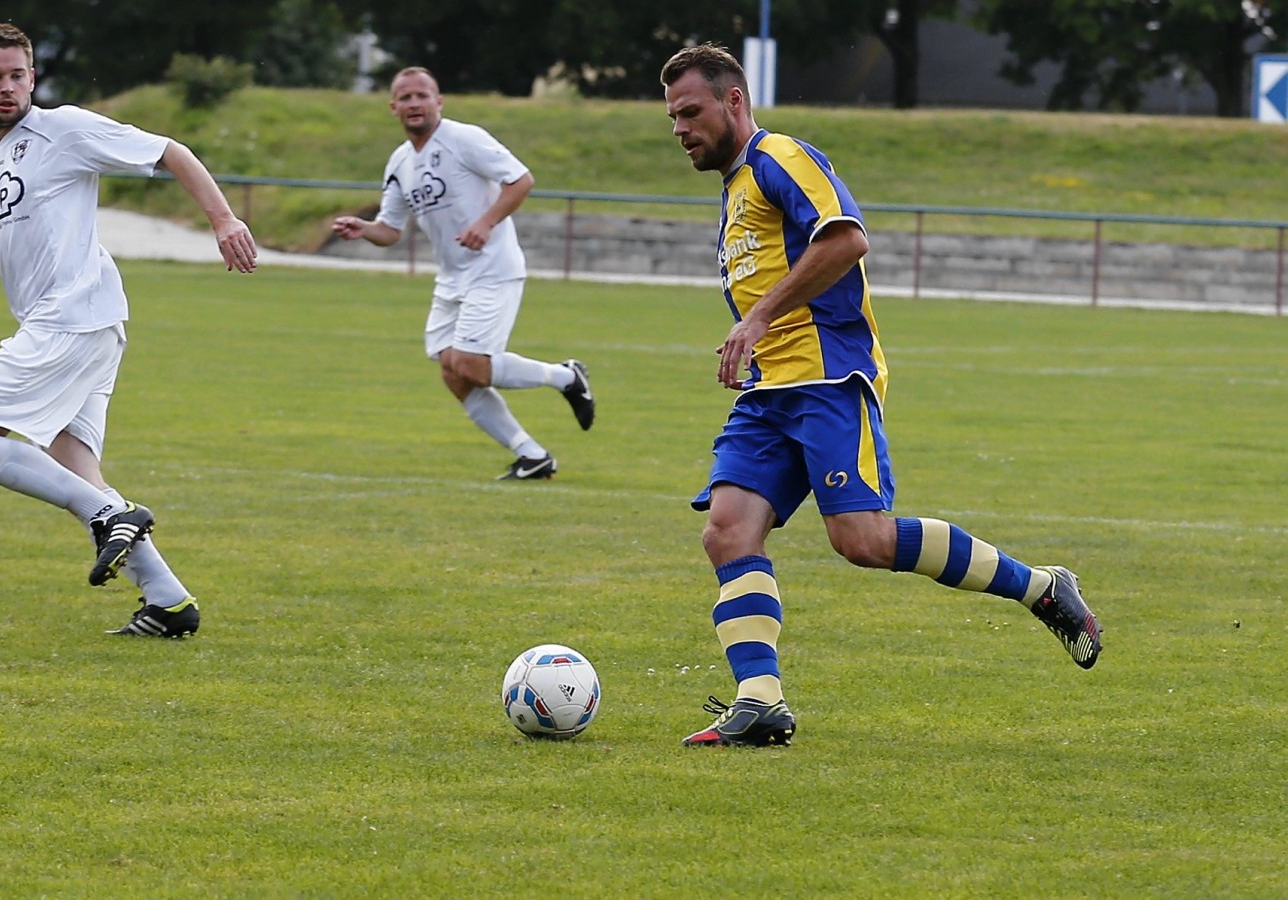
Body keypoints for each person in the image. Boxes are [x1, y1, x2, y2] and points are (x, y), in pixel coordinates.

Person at [659, 44, 1102, 747]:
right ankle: (760, 700)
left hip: (829, 378)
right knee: (727, 529)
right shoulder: (736, 185)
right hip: (769, 390)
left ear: (733, 101)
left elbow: (845, 239)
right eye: (672, 117)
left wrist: (757, 316)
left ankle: (1043, 586)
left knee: (861, 539)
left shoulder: (781, 157)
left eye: (690, 111)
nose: (680, 128)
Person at [0, 21, 258, 637]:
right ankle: (170, 603)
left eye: (18, 75)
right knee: (75, 468)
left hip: (73, 316)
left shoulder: (63, 129)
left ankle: (111, 514)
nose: (8, 87)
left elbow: (170, 152)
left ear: (32, 78)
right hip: (75, 326)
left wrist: (224, 220)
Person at [330, 67, 594, 480]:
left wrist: (486, 223)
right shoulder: (400, 162)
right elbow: (390, 231)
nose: (414, 103)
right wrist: (363, 231)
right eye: (406, 97)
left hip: (493, 268)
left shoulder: (463, 138)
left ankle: (566, 377)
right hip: (452, 278)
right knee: (453, 371)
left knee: (470, 363)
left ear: (439, 102)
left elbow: (521, 180)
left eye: (422, 95)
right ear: (393, 107)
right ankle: (532, 455)